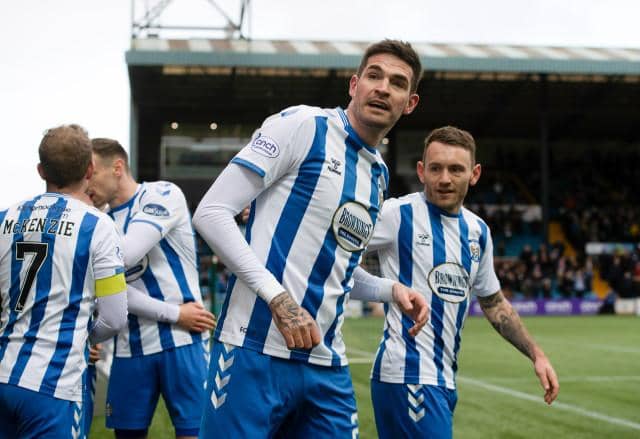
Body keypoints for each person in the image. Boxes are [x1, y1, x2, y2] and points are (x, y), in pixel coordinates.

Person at [193, 39, 429, 438]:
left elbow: (336, 271)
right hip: (254, 349)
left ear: (410, 103)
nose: (383, 87)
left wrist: (392, 290)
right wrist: (279, 299)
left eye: (397, 82)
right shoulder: (304, 126)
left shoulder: (378, 176)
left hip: (325, 364)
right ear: (354, 85)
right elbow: (211, 213)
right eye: (374, 75)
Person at [364, 126, 559, 438]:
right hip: (407, 375)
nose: (444, 179)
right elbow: (333, 246)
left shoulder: (477, 231)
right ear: (421, 171)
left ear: (474, 173)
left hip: (443, 380)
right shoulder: (397, 214)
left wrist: (537, 354)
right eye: (436, 168)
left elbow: (494, 303)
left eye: (456, 169)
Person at [0, 124, 128, 438]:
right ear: (89, 169)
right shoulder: (97, 225)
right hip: (54, 382)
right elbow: (114, 317)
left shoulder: (4, 218)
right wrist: (83, 338)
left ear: (41, 170)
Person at [87, 138, 216, 439]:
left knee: (194, 433)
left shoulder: (162, 194)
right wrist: (174, 313)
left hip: (182, 342)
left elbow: (124, 257)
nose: (85, 181)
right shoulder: (100, 221)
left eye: (91, 172)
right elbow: (111, 289)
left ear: (117, 167)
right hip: (130, 346)